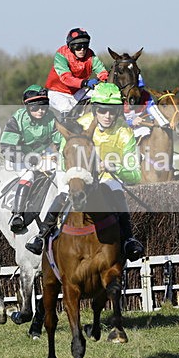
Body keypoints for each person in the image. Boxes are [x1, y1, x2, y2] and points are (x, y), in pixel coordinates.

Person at [25, 82, 145, 261]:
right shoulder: (80, 125)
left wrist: (114, 167)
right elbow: (64, 155)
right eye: (102, 111)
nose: (107, 115)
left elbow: (135, 174)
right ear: (95, 109)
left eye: (112, 111)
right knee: (65, 192)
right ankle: (41, 237)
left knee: (115, 189)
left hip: (105, 178)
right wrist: (78, 171)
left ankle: (129, 240)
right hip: (76, 175)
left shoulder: (125, 132)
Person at [0, 85, 62, 233]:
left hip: (42, 155)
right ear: (27, 107)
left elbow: (59, 141)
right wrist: (26, 158)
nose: (40, 111)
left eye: (44, 107)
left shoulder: (51, 117)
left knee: (60, 172)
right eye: (35, 108)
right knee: (29, 175)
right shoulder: (17, 119)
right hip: (18, 156)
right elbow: (6, 147)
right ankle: (18, 215)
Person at [44, 27, 109, 116]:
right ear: (70, 46)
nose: (82, 50)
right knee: (66, 107)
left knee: (101, 97)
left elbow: (102, 71)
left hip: (78, 91)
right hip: (57, 92)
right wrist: (85, 83)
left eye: (85, 46)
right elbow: (66, 78)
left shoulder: (90, 55)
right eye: (78, 47)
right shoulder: (61, 55)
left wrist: (105, 80)